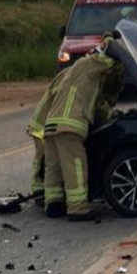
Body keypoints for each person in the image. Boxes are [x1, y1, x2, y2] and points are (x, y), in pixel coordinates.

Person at [42, 36, 124, 221]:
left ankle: (53, 205)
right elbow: (104, 61)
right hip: (70, 124)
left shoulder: (75, 76)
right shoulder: (87, 65)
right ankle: (77, 208)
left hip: (52, 123)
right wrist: (114, 46)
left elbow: (98, 107)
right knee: (76, 166)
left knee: (53, 167)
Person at [26, 69, 69, 200]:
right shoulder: (68, 80)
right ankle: (40, 192)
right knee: (44, 158)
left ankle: (41, 190)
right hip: (42, 125)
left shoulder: (67, 76)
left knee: (44, 158)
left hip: (45, 123)